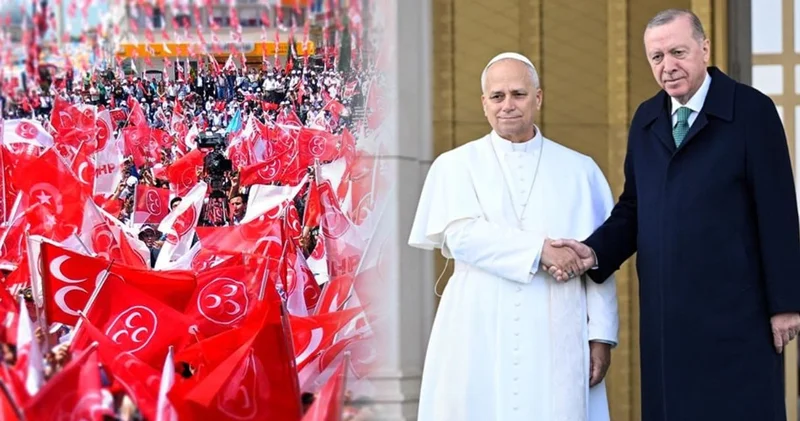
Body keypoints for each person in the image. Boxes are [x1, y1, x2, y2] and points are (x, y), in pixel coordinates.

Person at [546, 9, 800, 421]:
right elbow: (634, 207)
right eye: (657, 57)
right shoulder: (647, 118)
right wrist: (592, 253)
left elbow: (778, 210)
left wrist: (785, 303)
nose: (668, 66)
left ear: (704, 48)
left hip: (739, 314)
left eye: (678, 52)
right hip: (668, 315)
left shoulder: (752, 111)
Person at [407, 52, 619, 421]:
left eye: (518, 94)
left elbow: (599, 261)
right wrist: (539, 251)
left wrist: (601, 336)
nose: (508, 105)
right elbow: (460, 236)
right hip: (478, 323)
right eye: (497, 96)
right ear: (484, 104)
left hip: (556, 326)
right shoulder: (454, 165)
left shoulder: (580, 169)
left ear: (538, 98)